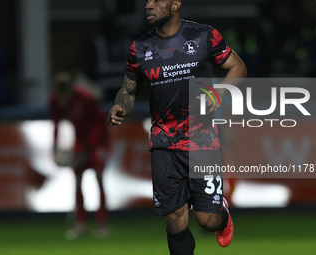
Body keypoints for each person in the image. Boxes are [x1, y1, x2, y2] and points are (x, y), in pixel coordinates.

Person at [107, 0, 247, 254]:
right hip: (163, 143)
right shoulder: (140, 48)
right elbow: (128, 89)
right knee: (174, 220)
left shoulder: (204, 35)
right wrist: (121, 106)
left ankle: (222, 215)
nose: (149, 5)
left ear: (175, 5)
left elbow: (238, 67)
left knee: (207, 221)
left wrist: (218, 94)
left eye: (157, 0)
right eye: (147, 1)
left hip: (202, 140)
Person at [49, 72, 109, 239]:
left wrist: (90, 148)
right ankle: (80, 224)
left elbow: (98, 123)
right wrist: (54, 147)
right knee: (77, 181)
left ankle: (102, 225)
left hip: (98, 140)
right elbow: (56, 124)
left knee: (98, 179)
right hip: (79, 141)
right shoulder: (54, 100)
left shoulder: (86, 98)